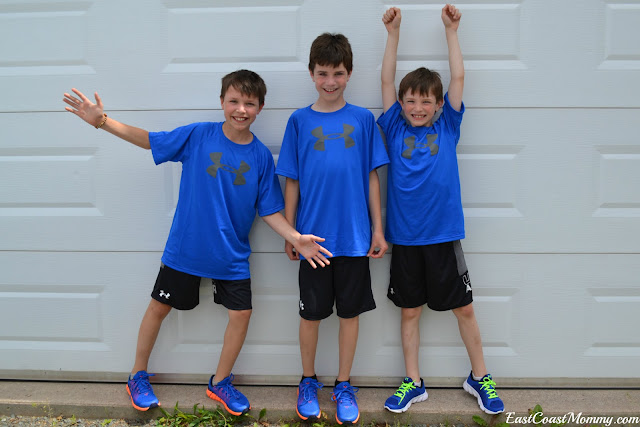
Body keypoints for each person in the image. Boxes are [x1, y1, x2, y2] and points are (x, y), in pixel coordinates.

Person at [62, 70, 333, 416]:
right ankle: (137, 375)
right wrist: (103, 122)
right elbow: (150, 140)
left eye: (249, 103)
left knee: (242, 313)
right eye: (234, 101)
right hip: (186, 249)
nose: (241, 109)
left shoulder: (261, 156)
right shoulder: (199, 135)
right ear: (222, 102)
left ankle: (220, 382)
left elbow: (268, 209)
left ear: (260, 108)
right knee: (158, 308)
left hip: (230, 254)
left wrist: (296, 237)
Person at [378, 5, 505, 415]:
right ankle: (413, 382)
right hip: (406, 238)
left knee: (463, 308)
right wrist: (393, 35)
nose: (417, 107)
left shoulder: (447, 125)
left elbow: (459, 78)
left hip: (443, 235)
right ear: (401, 103)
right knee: (409, 311)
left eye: (426, 101)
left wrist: (452, 31)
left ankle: (479, 376)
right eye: (410, 100)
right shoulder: (393, 125)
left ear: (437, 105)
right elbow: (386, 79)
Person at [275, 33, 390, 424]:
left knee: (349, 315)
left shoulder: (362, 119)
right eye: (323, 73)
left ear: (349, 73)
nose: (330, 81)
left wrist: (378, 230)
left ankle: (343, 384)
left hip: (355, 239)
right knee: (311, 315)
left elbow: (372, 177)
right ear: (311, 73)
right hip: (313, 241)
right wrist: (291, 232)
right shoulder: (299, 121)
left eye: (338, 73)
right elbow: (291, 179)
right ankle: (308, 380)